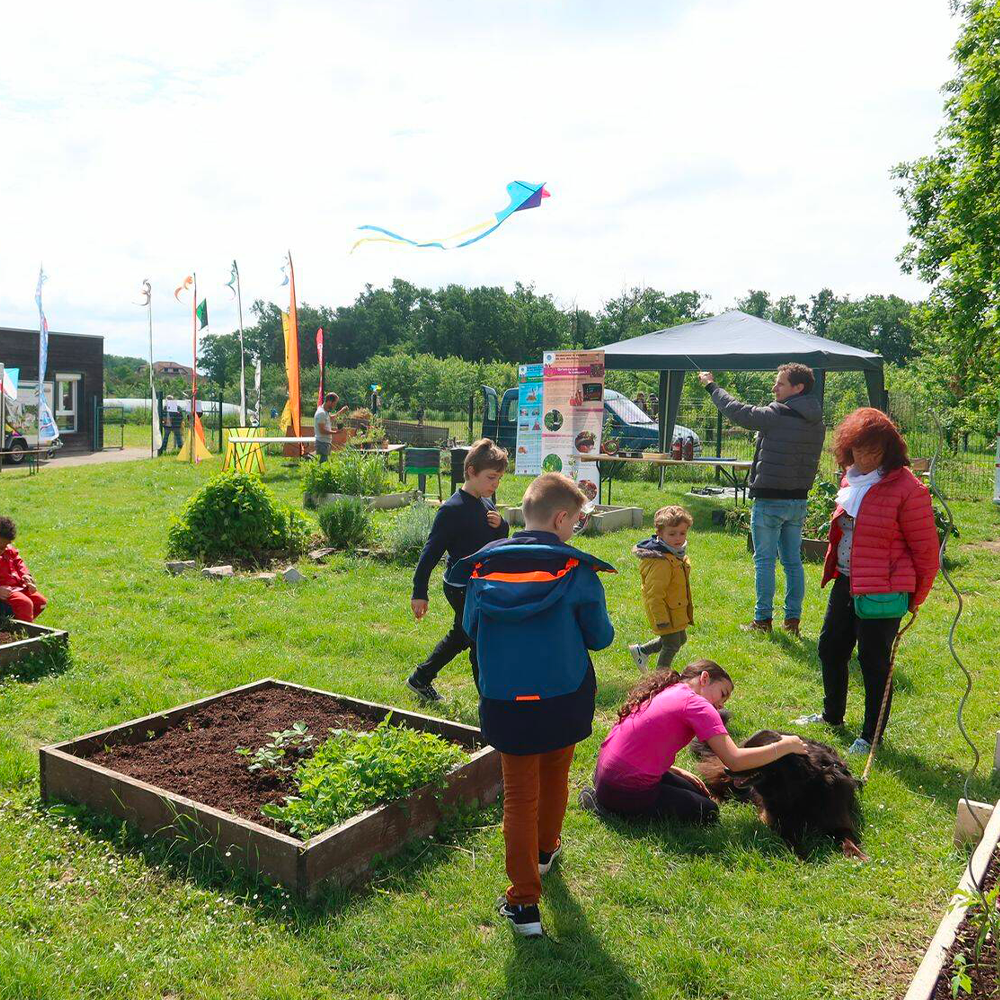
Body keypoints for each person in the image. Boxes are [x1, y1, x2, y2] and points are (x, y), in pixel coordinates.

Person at [446, 472, 614, 938]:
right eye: (577, 522)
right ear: (561, 518)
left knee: (519, 796)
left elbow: (473, 628)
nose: (575, 529)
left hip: (506, 700)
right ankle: (545, 852)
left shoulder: (481, 569)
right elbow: (600, 638)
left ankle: (523, 906)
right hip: (565, 696)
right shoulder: (578, 571)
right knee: (556, 774)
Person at [793, 408, 939, 755]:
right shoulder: (850, 480)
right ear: (847, 448)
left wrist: (914, 598)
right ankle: (832, 716)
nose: (865, 456)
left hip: (885, 590)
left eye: (873, 449)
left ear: (889, 448)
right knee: (830, 648)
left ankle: (870, 735)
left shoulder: (908, 489)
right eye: (858, 448)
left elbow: (926, 552)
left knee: (873, 662)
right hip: (847, 580)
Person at [580, 660, 808, 823]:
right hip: (623, 786)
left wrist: (674, 771)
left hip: (606, 773)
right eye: (722, 693)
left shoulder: (669, 688)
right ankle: (608, 808)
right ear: (705, 678)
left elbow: (644, 742)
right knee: (707, 812)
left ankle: (608, 796)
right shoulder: (698, 705)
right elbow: (735, 761)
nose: (721, 705)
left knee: (698, 791)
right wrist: (786, 745)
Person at [698, 365, 825, 636]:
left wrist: (712, 386)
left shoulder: (777, 415)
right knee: (793, 562)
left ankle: (762, 621)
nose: (774, 388)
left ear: (798, 388)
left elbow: (738, 412)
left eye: (780, 384)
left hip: (769, 499)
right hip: (798, 501)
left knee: (765, 561)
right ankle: (792, 622)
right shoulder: (817, 421)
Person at [407, 439, 510, 702]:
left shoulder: (486, 504)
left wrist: (502, 526)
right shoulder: (451, 510)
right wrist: (420, 592)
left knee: (463, 635)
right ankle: (489, 702)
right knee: (478, 639)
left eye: (498, 478)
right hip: (460, 586)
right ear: (471, 471)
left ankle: (420, 678)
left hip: (480, 583)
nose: (495, 484)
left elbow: (495, 540)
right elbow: (430, 553)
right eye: (490, 477)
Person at [628, 505, 693, 670]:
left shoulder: (674, 554)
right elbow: (654, 594)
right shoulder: (661, 562)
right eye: (672, 534)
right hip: (665, 612)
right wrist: (661, 619)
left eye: (682, 533)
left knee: (680, 639)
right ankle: (660, 679)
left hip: (675, 609)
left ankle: (642, 651)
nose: (678, 538)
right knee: (671, 645)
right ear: (660, 534)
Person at [0, 517, 47, 622]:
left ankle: (15, 626)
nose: (3, 550)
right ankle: (26, 634)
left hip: (17, 586)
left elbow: (19, 563)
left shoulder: (8, 550)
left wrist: (26, 576)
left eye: (6, 546)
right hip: (6, 590)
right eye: (0, 547)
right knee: (25, 604)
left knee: (40, 602)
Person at [313, 392, 348, 463]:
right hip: (322, 443)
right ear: (329, 402)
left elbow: (331, 418)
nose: (335, 406)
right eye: (334, 403)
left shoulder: (325, 411)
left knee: (324, 465)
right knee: (322, 465)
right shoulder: (321, 413)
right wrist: (336, 432)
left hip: (325, 442)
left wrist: (341, 411)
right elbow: (322, 430)